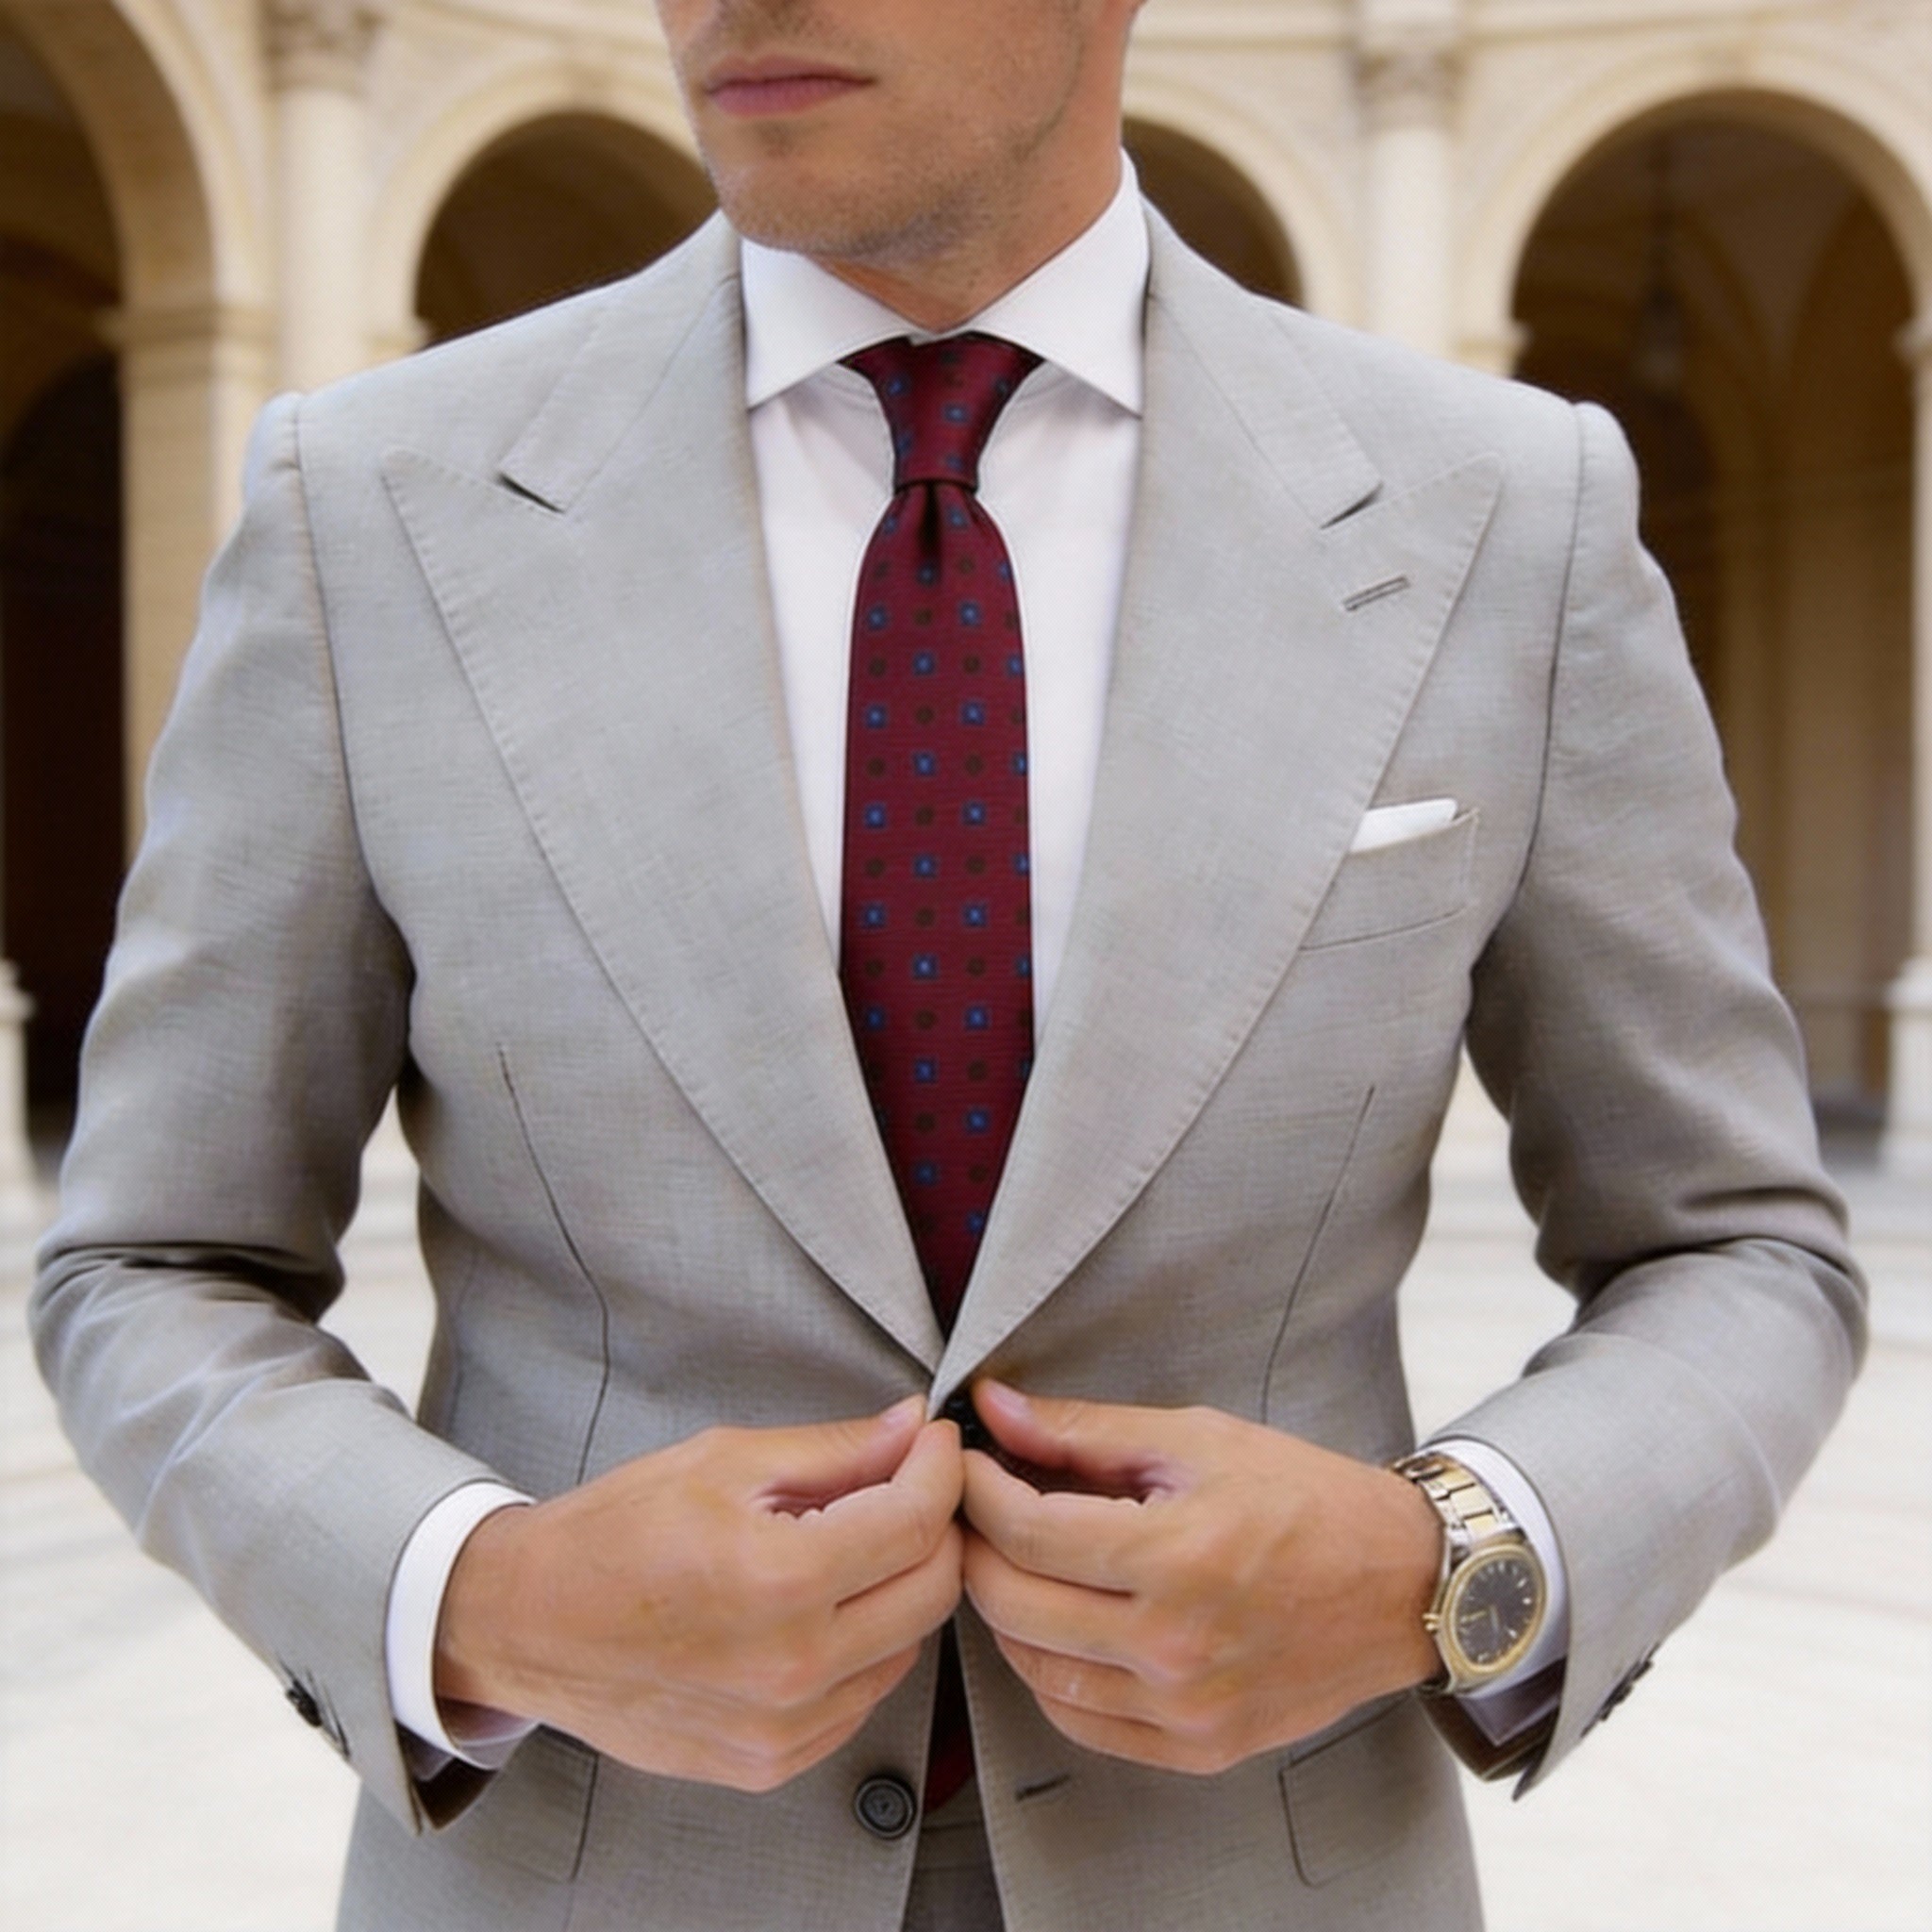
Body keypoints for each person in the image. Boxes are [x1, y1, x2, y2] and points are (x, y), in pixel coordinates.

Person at [31, 1, 1864, 1927]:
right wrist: (480, 1595)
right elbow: (154, 1258)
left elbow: (1733, 1246)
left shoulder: (1504, 515)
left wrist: (1442, 1557)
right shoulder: (370, 509)